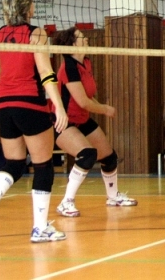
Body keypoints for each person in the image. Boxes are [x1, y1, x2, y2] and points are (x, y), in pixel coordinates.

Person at [0, 0, 68, 243]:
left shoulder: (1, 33)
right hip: (29, 102)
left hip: (4, 104)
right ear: (29, 7)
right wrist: (59, 106)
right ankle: (40, 228)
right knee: (43, 165)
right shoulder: (36, 33)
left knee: (14, 163)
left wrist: (9, 83)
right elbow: (45, 72)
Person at [51, 26, 137, 218]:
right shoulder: (69, 67)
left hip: (82, 119)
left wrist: (100, 106)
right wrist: (105, 109)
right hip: (63, 122)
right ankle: (66, 202)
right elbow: (82, 101)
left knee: (109, 157)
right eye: (82, 37)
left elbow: (88, 97)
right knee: (87, 155)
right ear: (73, 44)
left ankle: (113, 197)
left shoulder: (86, 63)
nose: (86, 39)